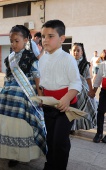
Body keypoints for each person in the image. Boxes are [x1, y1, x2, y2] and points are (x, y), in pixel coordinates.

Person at [0, 25, 47, 167]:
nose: (13, 44)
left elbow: (37, 76)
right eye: (11, 41)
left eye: (16, 41)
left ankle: (21, 153)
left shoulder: (31, 57)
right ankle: (9, 152)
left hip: (25, 95)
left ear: (26, 40)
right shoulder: (9, 58)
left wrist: (39, 95)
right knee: (5, 121)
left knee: (22, 123)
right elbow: (7, 76)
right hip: (9, 94)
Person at [39, 20, 82, 170]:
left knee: (60, 141)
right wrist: (40, 96)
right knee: (50, 138)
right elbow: (42, 83)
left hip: (66, 106)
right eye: (43, 36)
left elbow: (76, 84)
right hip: (49, 105)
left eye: (50, 36)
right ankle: (50, 164)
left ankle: (59, 167)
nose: (45, 40)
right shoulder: (42, 59)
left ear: (62, 39)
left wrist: (66, 98)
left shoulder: (68, 59)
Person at [71, 43, 97, 131]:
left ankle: (77, 127)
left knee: (80, 109)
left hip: (82, 91)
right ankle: (72, 127)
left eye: (78, 50)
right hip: (71, 89)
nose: (76, 52)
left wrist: (91, 90)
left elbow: (88, 78)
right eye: (74, 50)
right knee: (72, 109)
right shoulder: (69, 62)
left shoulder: (85, 64)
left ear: (82, 52)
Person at [92, 50, 106, 143]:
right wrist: (94, 91)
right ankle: (99, 133)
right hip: (104, 91)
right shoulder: (103, 64)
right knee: (100, 111)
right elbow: (98, 79)